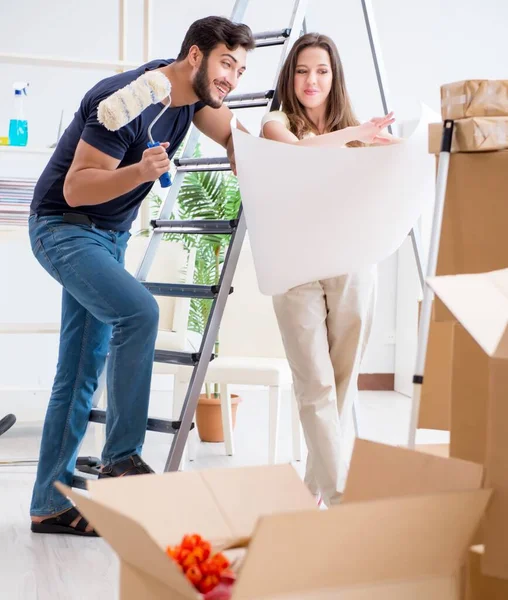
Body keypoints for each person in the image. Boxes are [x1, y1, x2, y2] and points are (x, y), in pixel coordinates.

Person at [28, 16, 255, 536]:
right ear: (195, 56)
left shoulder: (194, 99)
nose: (232, 79)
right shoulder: (130, 100)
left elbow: (232, 132)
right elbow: (76, 189)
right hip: (64, 228)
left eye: (241, 70)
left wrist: (244, 148)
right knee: (140, 311)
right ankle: (122, 459)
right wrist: (139, 172)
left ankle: (49, 505)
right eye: (226, 64)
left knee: (79, 370)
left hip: (107, 238)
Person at [261, 33, 398, 508]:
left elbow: (399, 160)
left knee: (340, 384)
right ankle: (341, 499)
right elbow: (301, 154)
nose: (311, 80)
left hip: (352, 260)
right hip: (295, 266)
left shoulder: (357, 130)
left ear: (334, 75)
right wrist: (356, 137)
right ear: (290, 77)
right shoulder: (275, 122)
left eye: (321, 70)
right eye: (302, 71)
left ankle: (311, 493)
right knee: (314, 383)